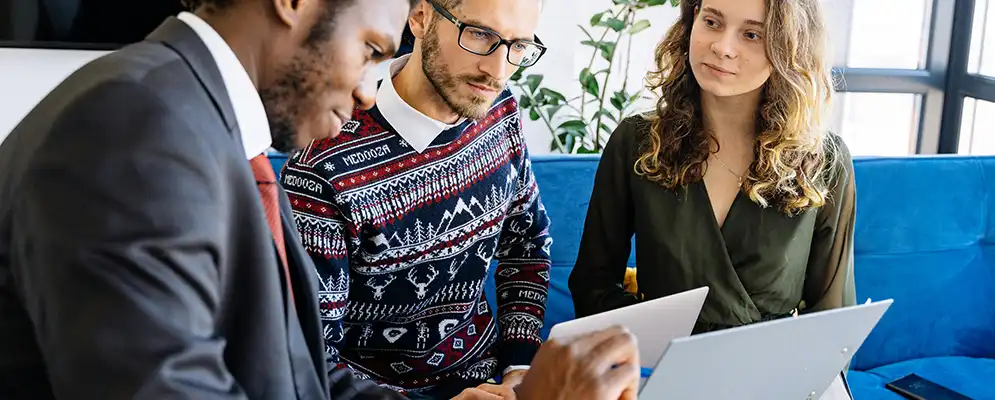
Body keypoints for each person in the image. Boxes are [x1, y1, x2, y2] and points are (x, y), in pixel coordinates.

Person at [0, 0, 641, 399]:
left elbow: (299, 374)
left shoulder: (191, 120)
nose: (367, 91)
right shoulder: (132, 128)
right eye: (370, 49)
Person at [281, 0, 551, 398]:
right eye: (480, 34)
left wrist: (520, 367)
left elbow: (527, 245)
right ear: (421, 17)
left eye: (519, 46)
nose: (497, 71)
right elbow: (311, 359)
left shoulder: (499, 108)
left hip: (492, 382)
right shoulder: (322, 167)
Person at [569, 0, 857, 334]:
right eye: (712, 22)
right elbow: (592, 286)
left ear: (790, 48)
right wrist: (649, 344)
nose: (722, 47)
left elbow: (833, 319)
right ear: (693, 19)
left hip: (774, 364)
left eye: (751, 34)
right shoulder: (636, 142)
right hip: (656, 358)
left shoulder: (825, 162)